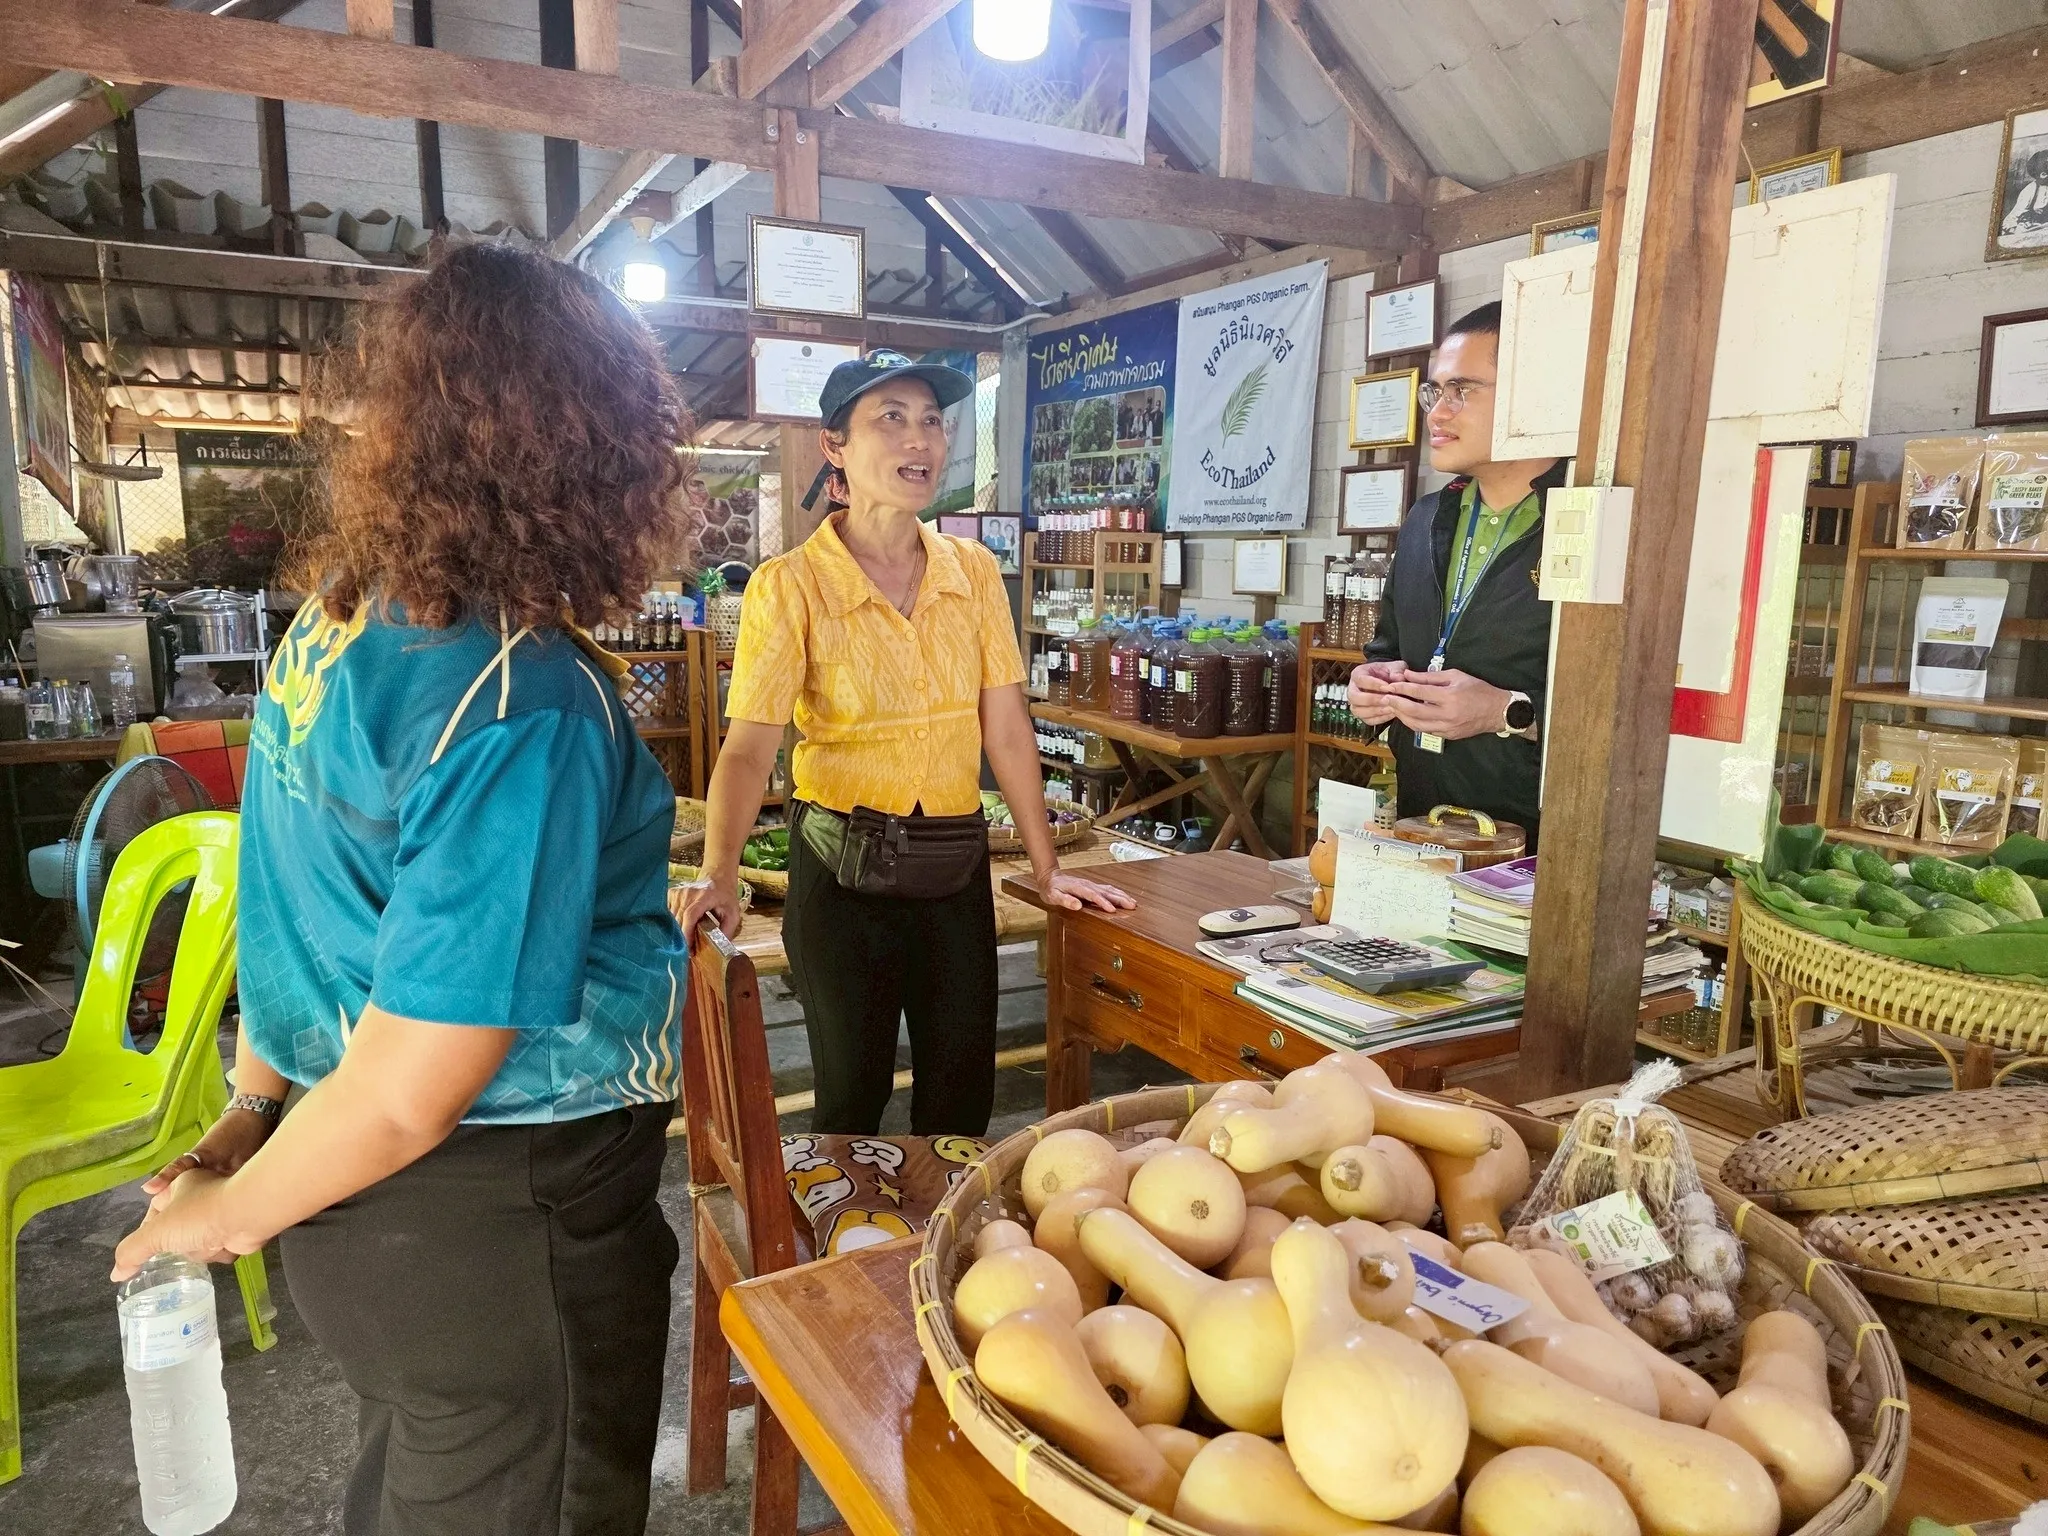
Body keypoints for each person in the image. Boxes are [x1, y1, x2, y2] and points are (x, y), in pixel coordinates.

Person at [111, 244, 693, 1535]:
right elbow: (412, 1085)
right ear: (597, 446)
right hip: (496, 1219)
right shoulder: (522, 700)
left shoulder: (342, 620)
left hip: (359, 1211)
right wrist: (215, 1222)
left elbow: (295, 905)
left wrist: (252, 1114)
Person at [682, 351, 1132, 1137]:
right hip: (840, 873)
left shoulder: (974, 571)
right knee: (850, 1102)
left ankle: (941, 1225)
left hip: (952, 871)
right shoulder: (790, 585)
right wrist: (721, 872)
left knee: (960, 1102)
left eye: (931, 420)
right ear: (835, 447)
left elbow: (1006, 728)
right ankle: (849, 1222)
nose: (919, 439)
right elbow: (750, 750)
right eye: (890, 418)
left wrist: (1047, 868)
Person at [1347, 301, 1565, 845]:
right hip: (1425, 821)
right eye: (1435, 392)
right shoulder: (1427, 517)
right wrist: (1371, 687)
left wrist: (1505, 712)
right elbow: (1387, 647)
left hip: (1541, 840)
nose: (1437, 414)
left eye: (1462, 390)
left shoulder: (1583, 521)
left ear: (1530, 395)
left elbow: (1627, 707)